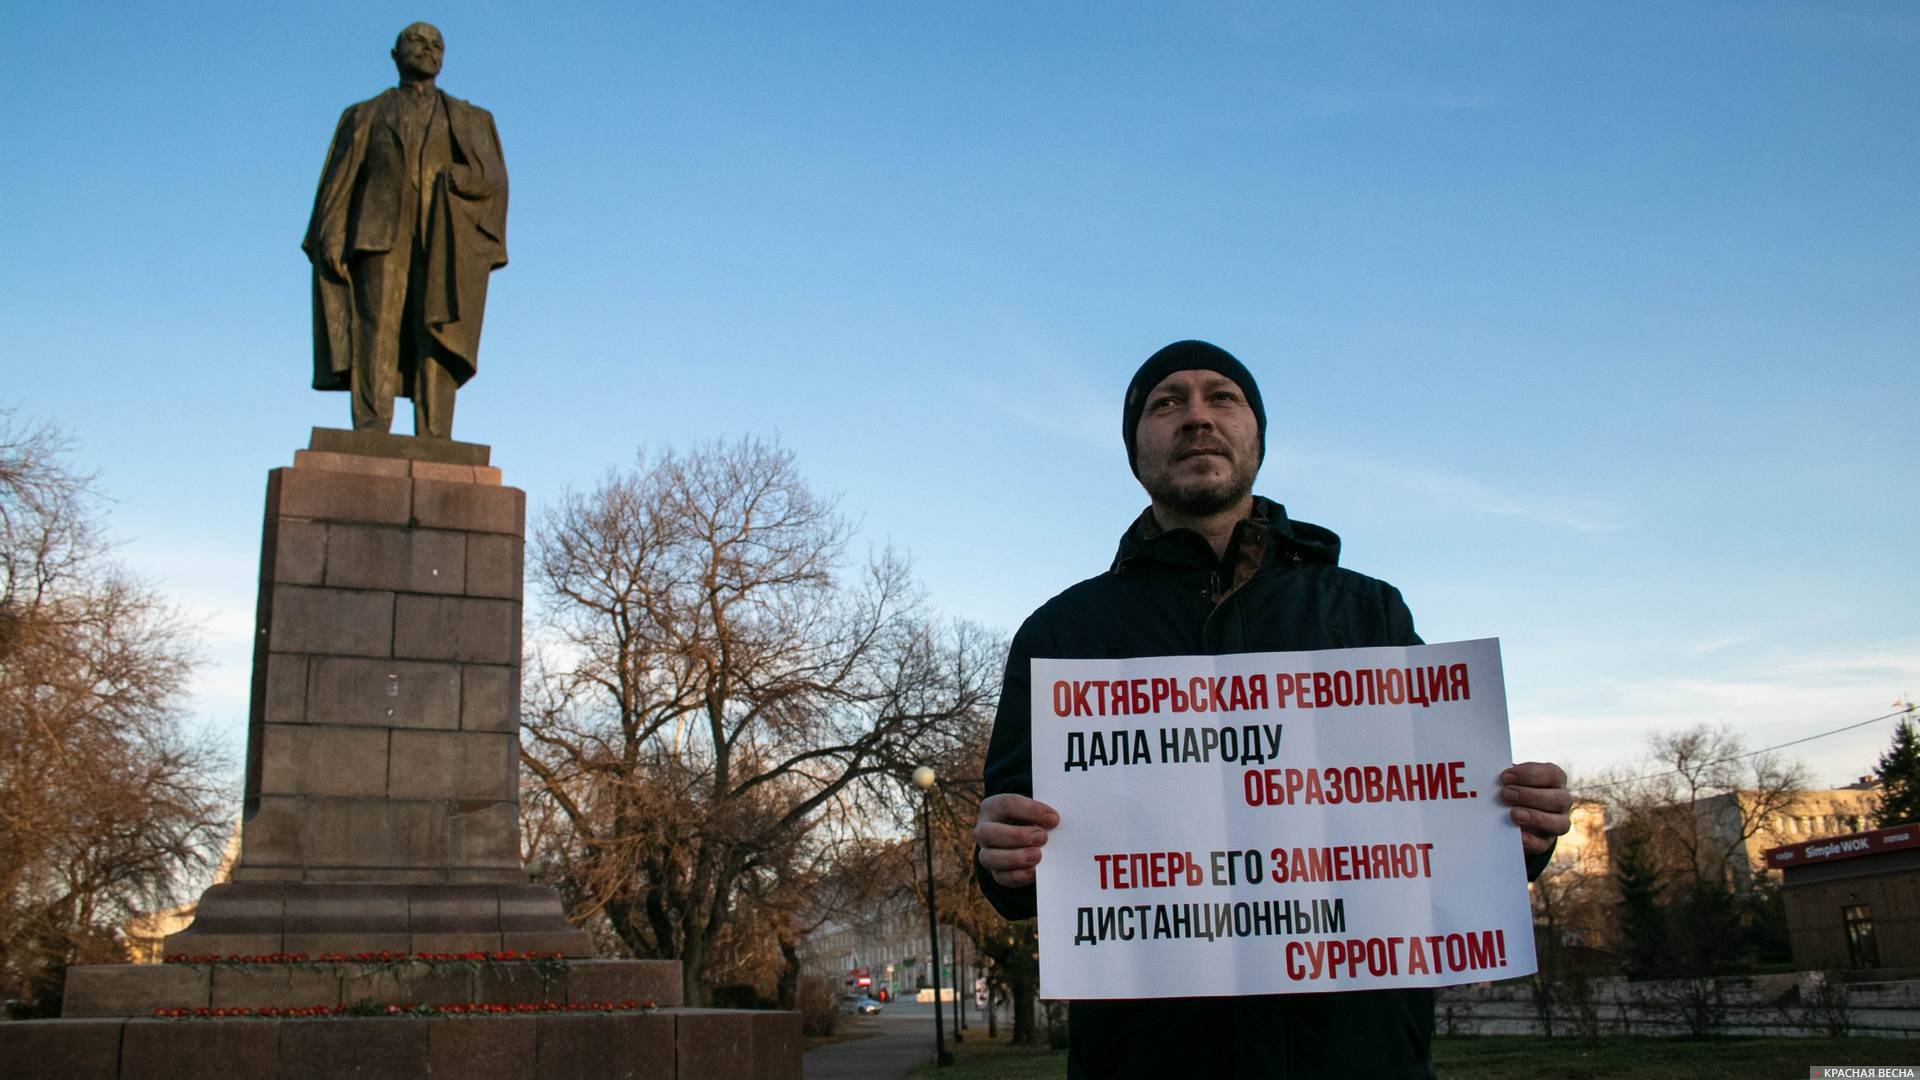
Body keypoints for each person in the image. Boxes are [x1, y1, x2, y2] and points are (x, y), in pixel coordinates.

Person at [973, 340, 1572, 1078]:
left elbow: (1437, 820)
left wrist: (1519, 831)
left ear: (1256, 433)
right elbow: (1014, 855)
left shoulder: (1366, 611)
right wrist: (1001, 856)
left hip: (1357, 1054)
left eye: (1222, 397)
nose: (1196, 417)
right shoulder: (1063, 634)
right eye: (1166, 403)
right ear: (1135, 448)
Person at [302, 22, 507, 439]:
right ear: (394, 55)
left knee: (439, 330)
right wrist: (333, 231)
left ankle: (435, 433)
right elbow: (338, 182)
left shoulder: (470, 119)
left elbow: (494, 179)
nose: (427, 49)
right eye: (416, 41)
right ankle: (371, 427)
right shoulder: (364, 114)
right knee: (375, 327)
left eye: (437, 45)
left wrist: (462, 179)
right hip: (378, 235)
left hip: (444, 237)